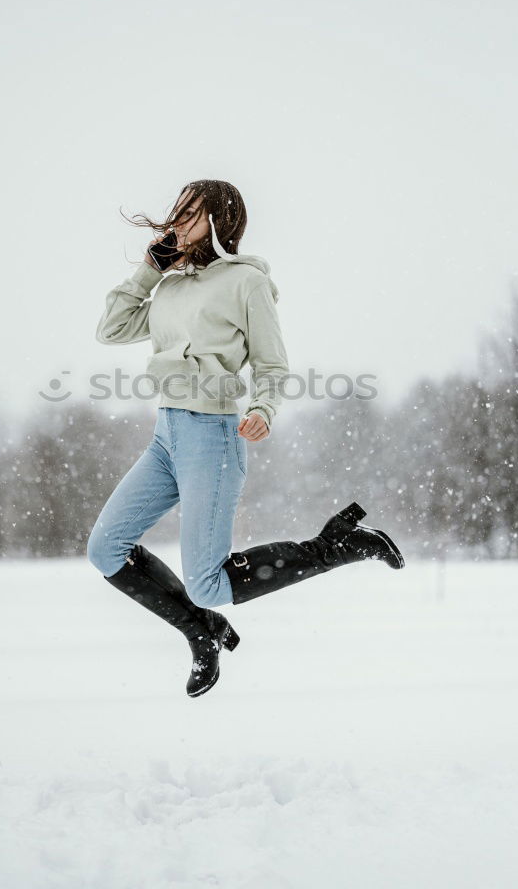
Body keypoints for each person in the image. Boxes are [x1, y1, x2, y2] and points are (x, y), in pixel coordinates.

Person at [87, 179, 404, 698]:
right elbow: (112, 328)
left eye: (190, 213)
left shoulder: (246, 283)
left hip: (212, 437)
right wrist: (151, 267)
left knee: (207, 584)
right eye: (177, 212)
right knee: (105, 550)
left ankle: (336, 546)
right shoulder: (171, 284)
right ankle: (200, 629)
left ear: (219, 221)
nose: (177, 221)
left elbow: (272, 363)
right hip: (166, 436)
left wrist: (263, 407)